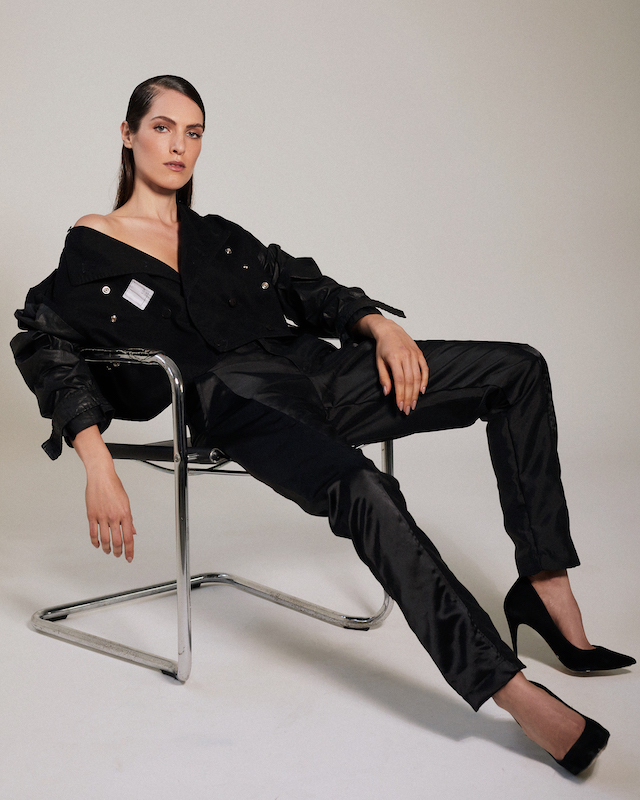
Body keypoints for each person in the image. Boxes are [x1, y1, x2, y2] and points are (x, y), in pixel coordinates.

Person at [11, 75, 634, 775]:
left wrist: (377, 324)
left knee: (517, 370)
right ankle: (508, 688)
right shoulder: (91, 248)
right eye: (162, 128)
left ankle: (545, 587)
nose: (179, 145)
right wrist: (96, 459)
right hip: (239, 403)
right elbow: (47, 344)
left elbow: (299, 284)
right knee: (363, 487)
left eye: (194, 132)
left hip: (322, 370)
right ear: (128, 135)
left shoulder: (218, 236)